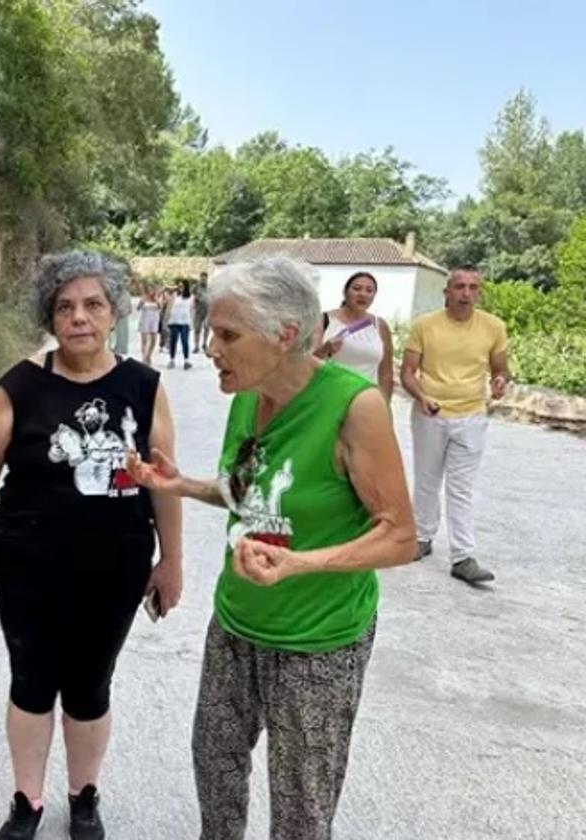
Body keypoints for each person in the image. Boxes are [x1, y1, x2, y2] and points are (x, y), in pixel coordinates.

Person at [127, 256, 416, 840]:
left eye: (228, 335)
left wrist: (300, 563)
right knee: (216, 764)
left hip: (318, 640)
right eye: (212, 332)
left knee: (301, 805)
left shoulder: (353, 407)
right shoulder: (248, 394)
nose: (211, 347)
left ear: (285, 335)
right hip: (237, 622)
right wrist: (179, 484)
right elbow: (248, 494)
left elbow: (399, 535)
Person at [0, 250, 183, 840]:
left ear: (113, 313)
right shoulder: (20, 386)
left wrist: (172, 562)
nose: (79, 317)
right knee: (30, 679)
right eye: (65, 307)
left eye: (93, 305)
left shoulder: (143, 386)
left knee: (90, 684)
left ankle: (84, 797)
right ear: (50, 317)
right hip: (27, 560)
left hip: (116, 563)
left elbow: (164, 478)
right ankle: (26, 801)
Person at [400, 264, 509, 585]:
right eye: (459, 286)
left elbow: (500, 368)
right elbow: (407, 372)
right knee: (427, 480)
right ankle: (421, 538)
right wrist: (421, 397)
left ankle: (463, 557)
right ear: (446, 292)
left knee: (461, 488)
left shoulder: (493, 327)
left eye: (473, 287)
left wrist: (501, 381)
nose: (466, 293)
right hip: (430, 414)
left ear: (479, 292)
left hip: (471, 416)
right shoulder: (425, 325)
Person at [316, 271, 395, 399]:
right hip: (329, 397)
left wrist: (384, 405)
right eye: (357, 288)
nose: (363, 294)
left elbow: (386, 373)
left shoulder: (380, 325)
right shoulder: (323, 320)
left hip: (366, 401)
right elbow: (307, 362)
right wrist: (326, 349)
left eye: (369, 290)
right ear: (345, 292)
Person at [165, 282, 193, 369]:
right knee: (173, 341)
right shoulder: (174, 295)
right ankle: (172, 360)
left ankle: (186, 361)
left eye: (182, 286)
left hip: (185, 321)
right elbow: (169, 307)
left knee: (185, 341)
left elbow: (192, 310)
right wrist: (166, 318)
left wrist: (192, 322)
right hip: (174, 321)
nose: (180, 288)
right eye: (179, 286)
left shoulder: (191, 297)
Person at [136, 284, 161, 365]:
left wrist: (157, 301)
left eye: (152, 289)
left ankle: (149, 355)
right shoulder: (144, 297)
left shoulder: (157, 298)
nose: (150, 291)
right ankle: (144, 357)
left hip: (154, 320)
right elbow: (138, 308)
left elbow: (160, 307)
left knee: (154, 339)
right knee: (144, 340)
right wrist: (141, 302)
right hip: (145, 319)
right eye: (149, 289)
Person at [191, 272, 210, 352]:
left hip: (207, 310)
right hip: (198, 311)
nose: (203, 280)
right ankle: (196, 346)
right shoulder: (196, 287)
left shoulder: (210, 287)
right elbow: (191, 293)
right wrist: (195, 298)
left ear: (207, 278)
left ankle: (204, 344)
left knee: (206, 328)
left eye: (204, 278)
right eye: (202, 278)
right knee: (197, 329)